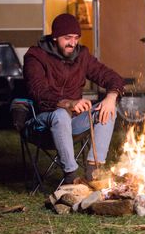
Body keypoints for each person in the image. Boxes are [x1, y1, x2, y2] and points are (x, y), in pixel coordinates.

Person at [24, 13, 125, 184]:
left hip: (73, 123)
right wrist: (68, 103)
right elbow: (38, 91)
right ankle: (71, 176)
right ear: (55, 36)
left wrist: (111, 96)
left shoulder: (81, 56)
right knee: (61, 115)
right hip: (42, 121)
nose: (73, 43)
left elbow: (112, 77)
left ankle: (94, 173)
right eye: (67, 38)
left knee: (108, 109)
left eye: (76, 38)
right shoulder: (36, 56)